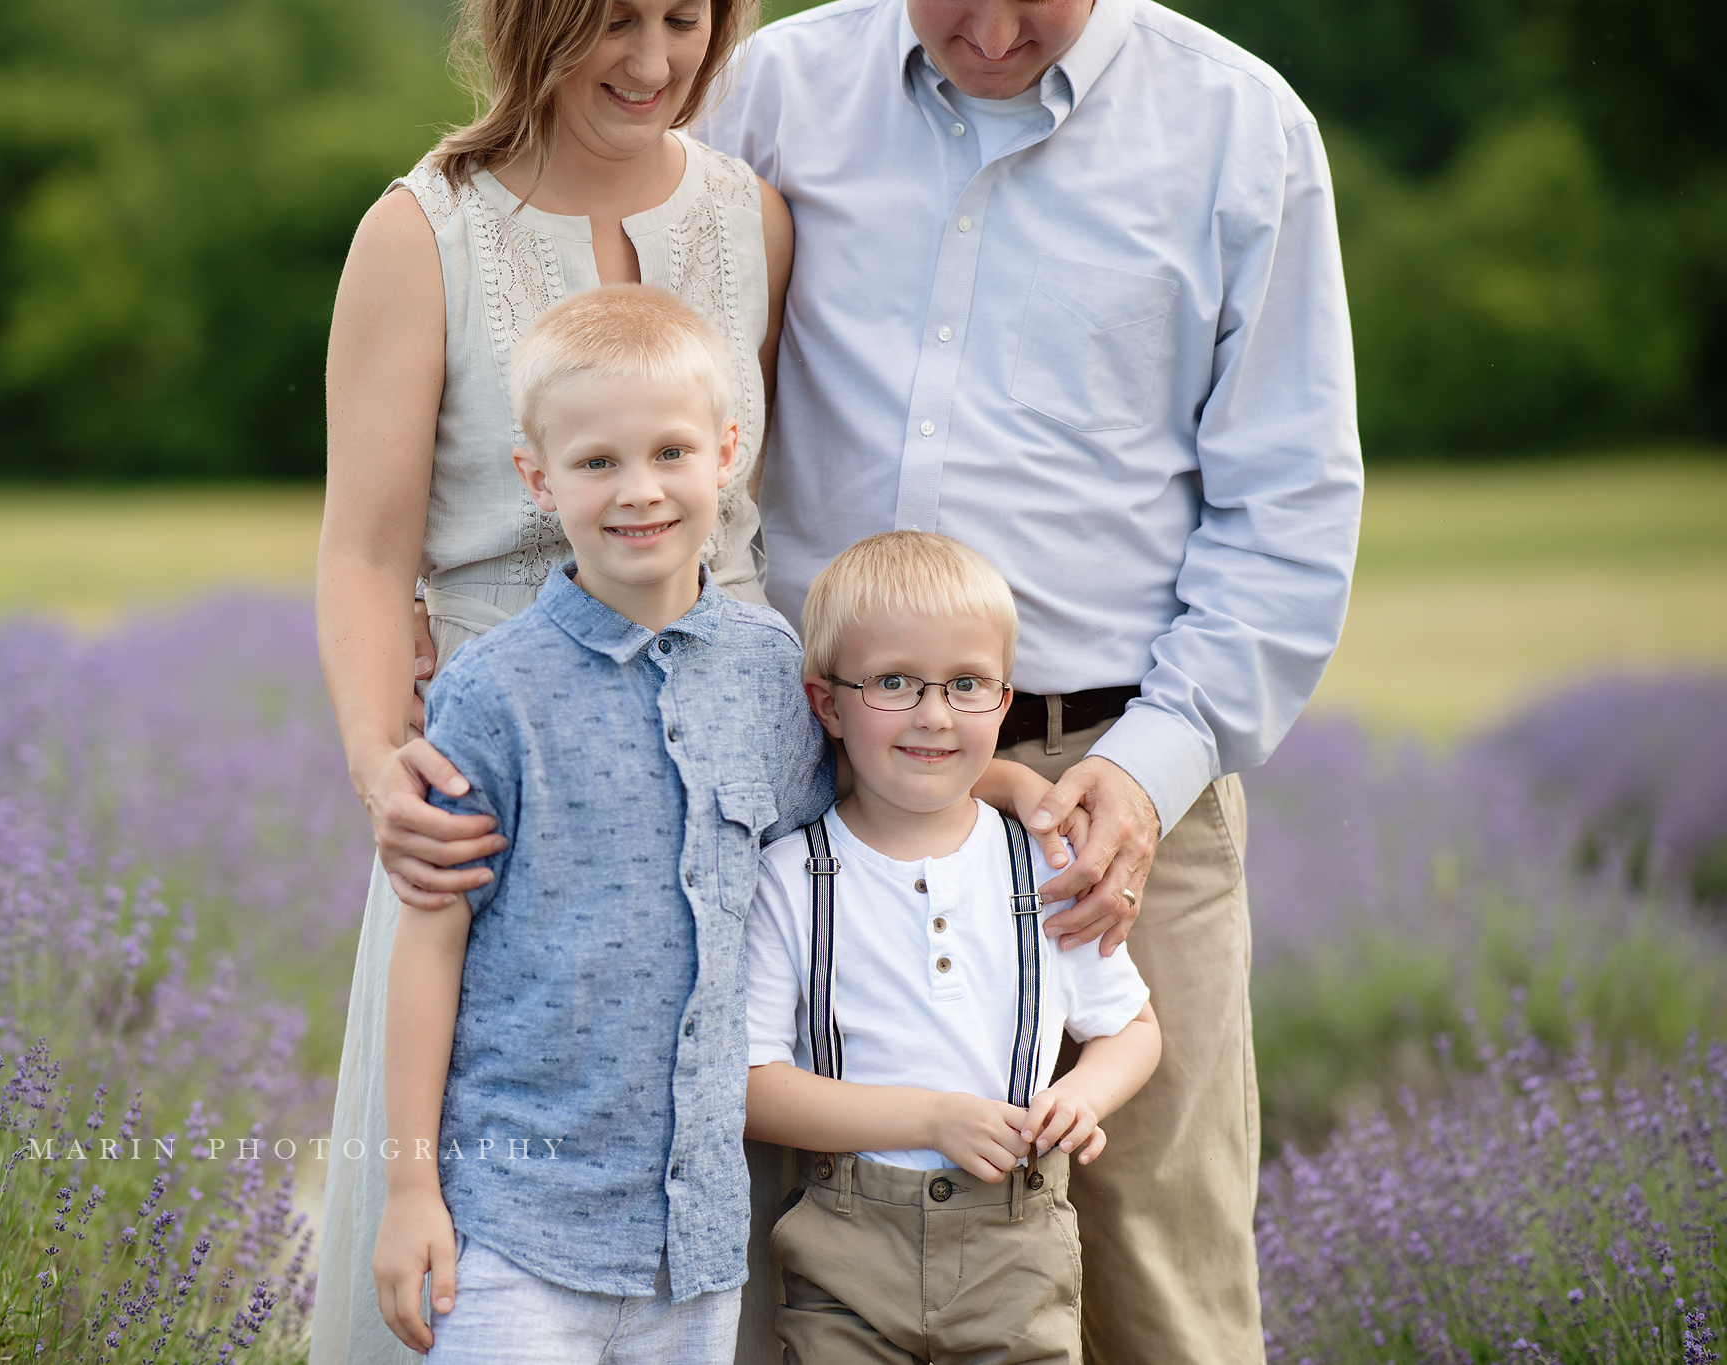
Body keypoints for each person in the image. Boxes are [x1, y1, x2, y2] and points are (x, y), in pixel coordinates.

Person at [695, 0, 1365, 1359]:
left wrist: (1152, 765)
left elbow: (1290, 505)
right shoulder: (766, 94)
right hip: (806, 761)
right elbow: (641, 382)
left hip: (1114, 785)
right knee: (782, 1264)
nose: (993, 30)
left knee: (1154, 1273)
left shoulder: (1243, 130)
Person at [309, 0, 790, 1350]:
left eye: (681, 18)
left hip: (717, 803)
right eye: (608, 24)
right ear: (531, 24)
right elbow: (361, 554)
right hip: (497, 810)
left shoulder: (754, 219)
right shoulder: (425, 234)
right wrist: (381, 772)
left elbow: (752, 507)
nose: (652, 62)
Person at [369, 285, 831, 1364]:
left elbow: (826, 856)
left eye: (671, 453)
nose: (639, 492)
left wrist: (1003, 789)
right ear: (538, 479)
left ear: (726, 454)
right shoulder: (492, 695)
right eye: (596, 464)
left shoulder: (767, 669)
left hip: (695, 1240)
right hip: (514, 1227)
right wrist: (408, 1189)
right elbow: (430, 940)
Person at [745, 531, 1160, 1364]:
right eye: (894, 682)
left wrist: (1086, 1095)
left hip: (1016, 1252)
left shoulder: (1044, 868)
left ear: (1004, 701)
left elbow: (1133, 1029)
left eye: (966, 684)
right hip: (845, 1257)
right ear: (827, 703)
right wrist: (930, 1115)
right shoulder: (794, 876)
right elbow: (752, 1086)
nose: (934, 714)